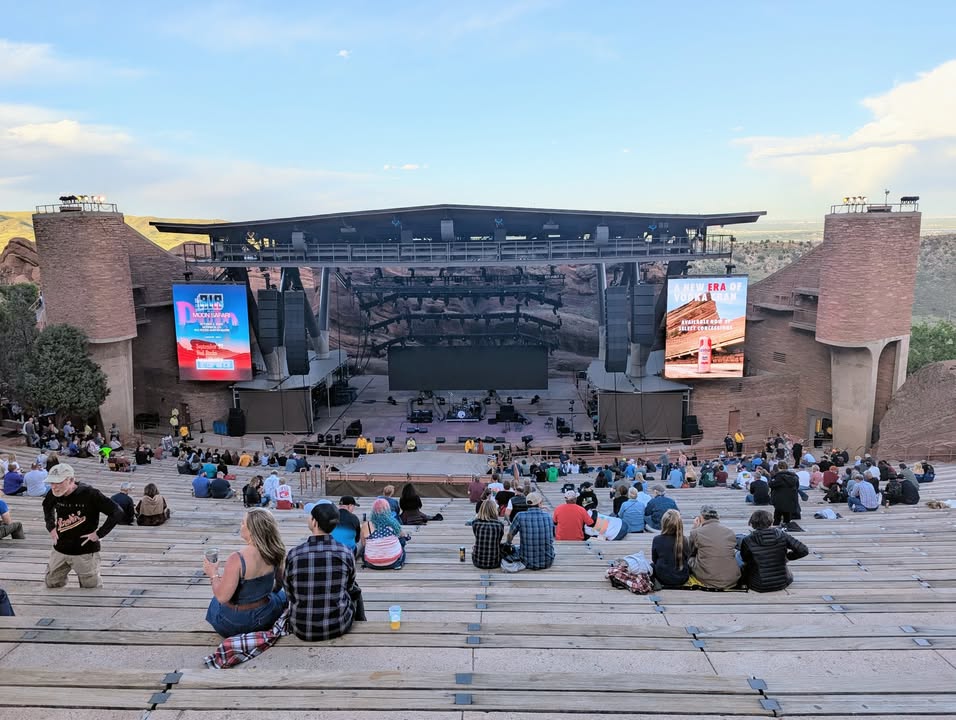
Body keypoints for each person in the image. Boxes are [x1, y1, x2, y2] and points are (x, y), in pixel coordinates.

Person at [286, 503, 364, 641]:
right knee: (356, 589)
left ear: (314, 522)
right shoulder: (345, 552)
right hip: (338, 626)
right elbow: (349, 587)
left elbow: (289, 593)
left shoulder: (294, 554)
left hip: (301, 628)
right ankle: (362, 622)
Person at [204, 508, 287, 637]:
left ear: (252, 531)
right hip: (265, 617)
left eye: (243, 523)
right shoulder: (275, 552)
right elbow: (279, 584)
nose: (240, 525)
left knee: (216, 600)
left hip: (235, 624)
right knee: (281, 596)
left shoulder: (237, 558)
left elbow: (222, 597)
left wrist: (213, 573)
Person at [42, 464, 124, 589]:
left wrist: (99, 534)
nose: (54, 486)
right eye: (51, 482)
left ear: (71, 480)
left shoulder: (90, 494)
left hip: (85, 551)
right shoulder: (54, 493)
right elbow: (47, 506)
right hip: (60, 548)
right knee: (51, 582)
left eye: (58, 482)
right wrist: (51, 527)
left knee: (91, 588)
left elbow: (117, 512)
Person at [739, 510, 809, 592]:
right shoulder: (781, 534)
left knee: (738, 556)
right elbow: (803, 550)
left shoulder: (747, 540)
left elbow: (745, 559)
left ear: (752, 523)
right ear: (770, 522)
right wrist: (786, 557)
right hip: (782, 582)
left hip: (758, 585)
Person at [688, 505, 741, 590]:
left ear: (701, 518)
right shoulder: (730, 532)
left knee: (690, 559)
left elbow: (690, 552)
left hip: (707, 578)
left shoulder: (696, 532)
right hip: (732, 578)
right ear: (718, 517)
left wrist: (694, 528)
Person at [504, 492, 554, 570]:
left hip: (527, 562)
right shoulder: (548, 516)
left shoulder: (520, 516)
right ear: (540, 503)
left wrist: (508, 543)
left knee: (515, 549)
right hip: (547, 561)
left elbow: (510, 534)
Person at [361, 498, 408, 569]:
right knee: (402, 542)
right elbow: (402, 534)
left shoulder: (366, 525)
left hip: (371, 563)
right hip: (393, 561)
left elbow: (364, 544)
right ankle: (398, 564)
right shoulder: (394, 523)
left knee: (363, 550)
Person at [651, 509, 690, 588]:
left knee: (651, 565)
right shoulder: (684, 540)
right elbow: (687, 558)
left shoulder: (657, 539)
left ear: (663, 524)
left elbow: (654, 559)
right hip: (682, 578)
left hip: (662, 578)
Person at [472, 498, 504, 569]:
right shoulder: (499, 524)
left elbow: (477, 536)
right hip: (495, 562)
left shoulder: (475, 523)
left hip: (478, 562)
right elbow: (498, 540)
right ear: (494, 510)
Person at [769, 462, 800, 526]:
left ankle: (775, 532)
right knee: (787, 519)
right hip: (790, 500)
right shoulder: (794, 476)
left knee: (777, 519)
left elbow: (771, 485)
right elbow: (797, 487)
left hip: (779, 500)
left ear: (778, 468)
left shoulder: (778, 477)